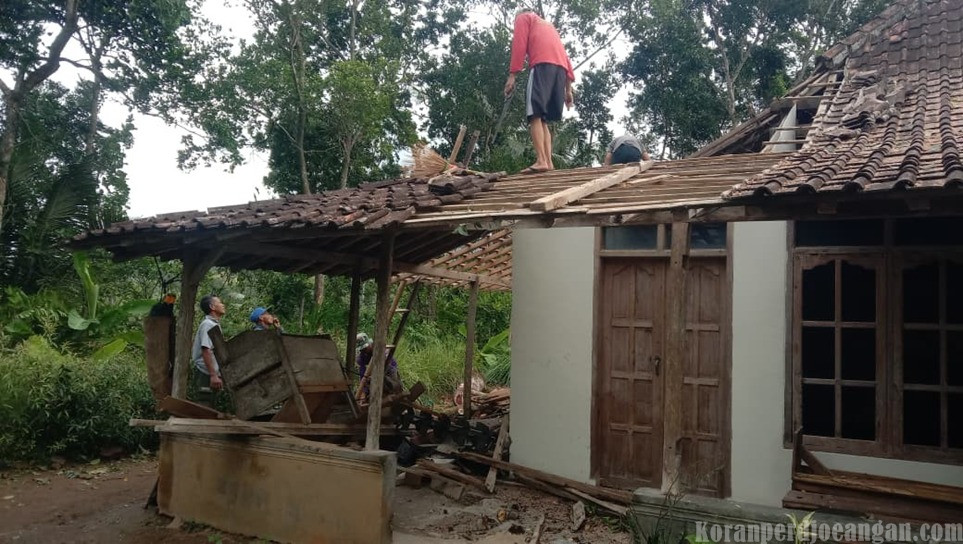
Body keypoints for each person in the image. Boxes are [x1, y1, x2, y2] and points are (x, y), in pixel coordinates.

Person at [503, 9, 575, 174]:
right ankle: (548, 162)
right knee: (543, 119)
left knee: (534, 114)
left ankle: (541, 160)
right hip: (560, 71)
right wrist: (568, 89)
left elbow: (519, 44)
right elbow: (565, 57)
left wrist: (513, 75)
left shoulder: (524, 17)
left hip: (542, 65)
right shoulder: (549, 26)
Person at [191, 294, 225, 403]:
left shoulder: (214, 324)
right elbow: (206, 349)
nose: (223, 305)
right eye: (220, 303)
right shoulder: (207, 324)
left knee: (211, 403)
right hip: (205, 373)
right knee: (204, 404)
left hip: (210, 372)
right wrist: (213, 375)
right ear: (212, 307)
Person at [356, 332, 401, 396]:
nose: (363, 350)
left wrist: (376, 375)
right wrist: (364, 391)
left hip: (388, 373)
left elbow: (391, 366)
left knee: (392, 384)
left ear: (369, 344)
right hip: (374, 378)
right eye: (362, 349)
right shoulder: (362, 356)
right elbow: (362, 373)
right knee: (367, 383)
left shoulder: (380, 350)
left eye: (365, 348)